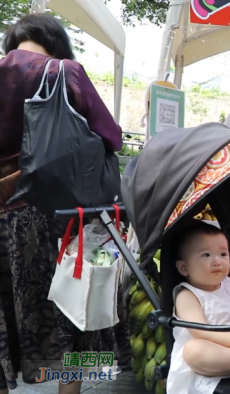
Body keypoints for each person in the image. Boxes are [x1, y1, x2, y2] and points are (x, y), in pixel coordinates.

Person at [0, 14, 122, 394]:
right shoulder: (65, 72)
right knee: (69, 314)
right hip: (57, 219)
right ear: (56, 43)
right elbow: (112, 138)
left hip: (3, 216)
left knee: (5, 316)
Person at [168, 222, 230, 394]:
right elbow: (201, 331)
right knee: (193, 350)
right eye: (206, 255)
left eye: (223, 254)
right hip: (210, 353)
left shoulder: (227, 283)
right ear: (184, 267)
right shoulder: (186, 295)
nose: (217, 261)